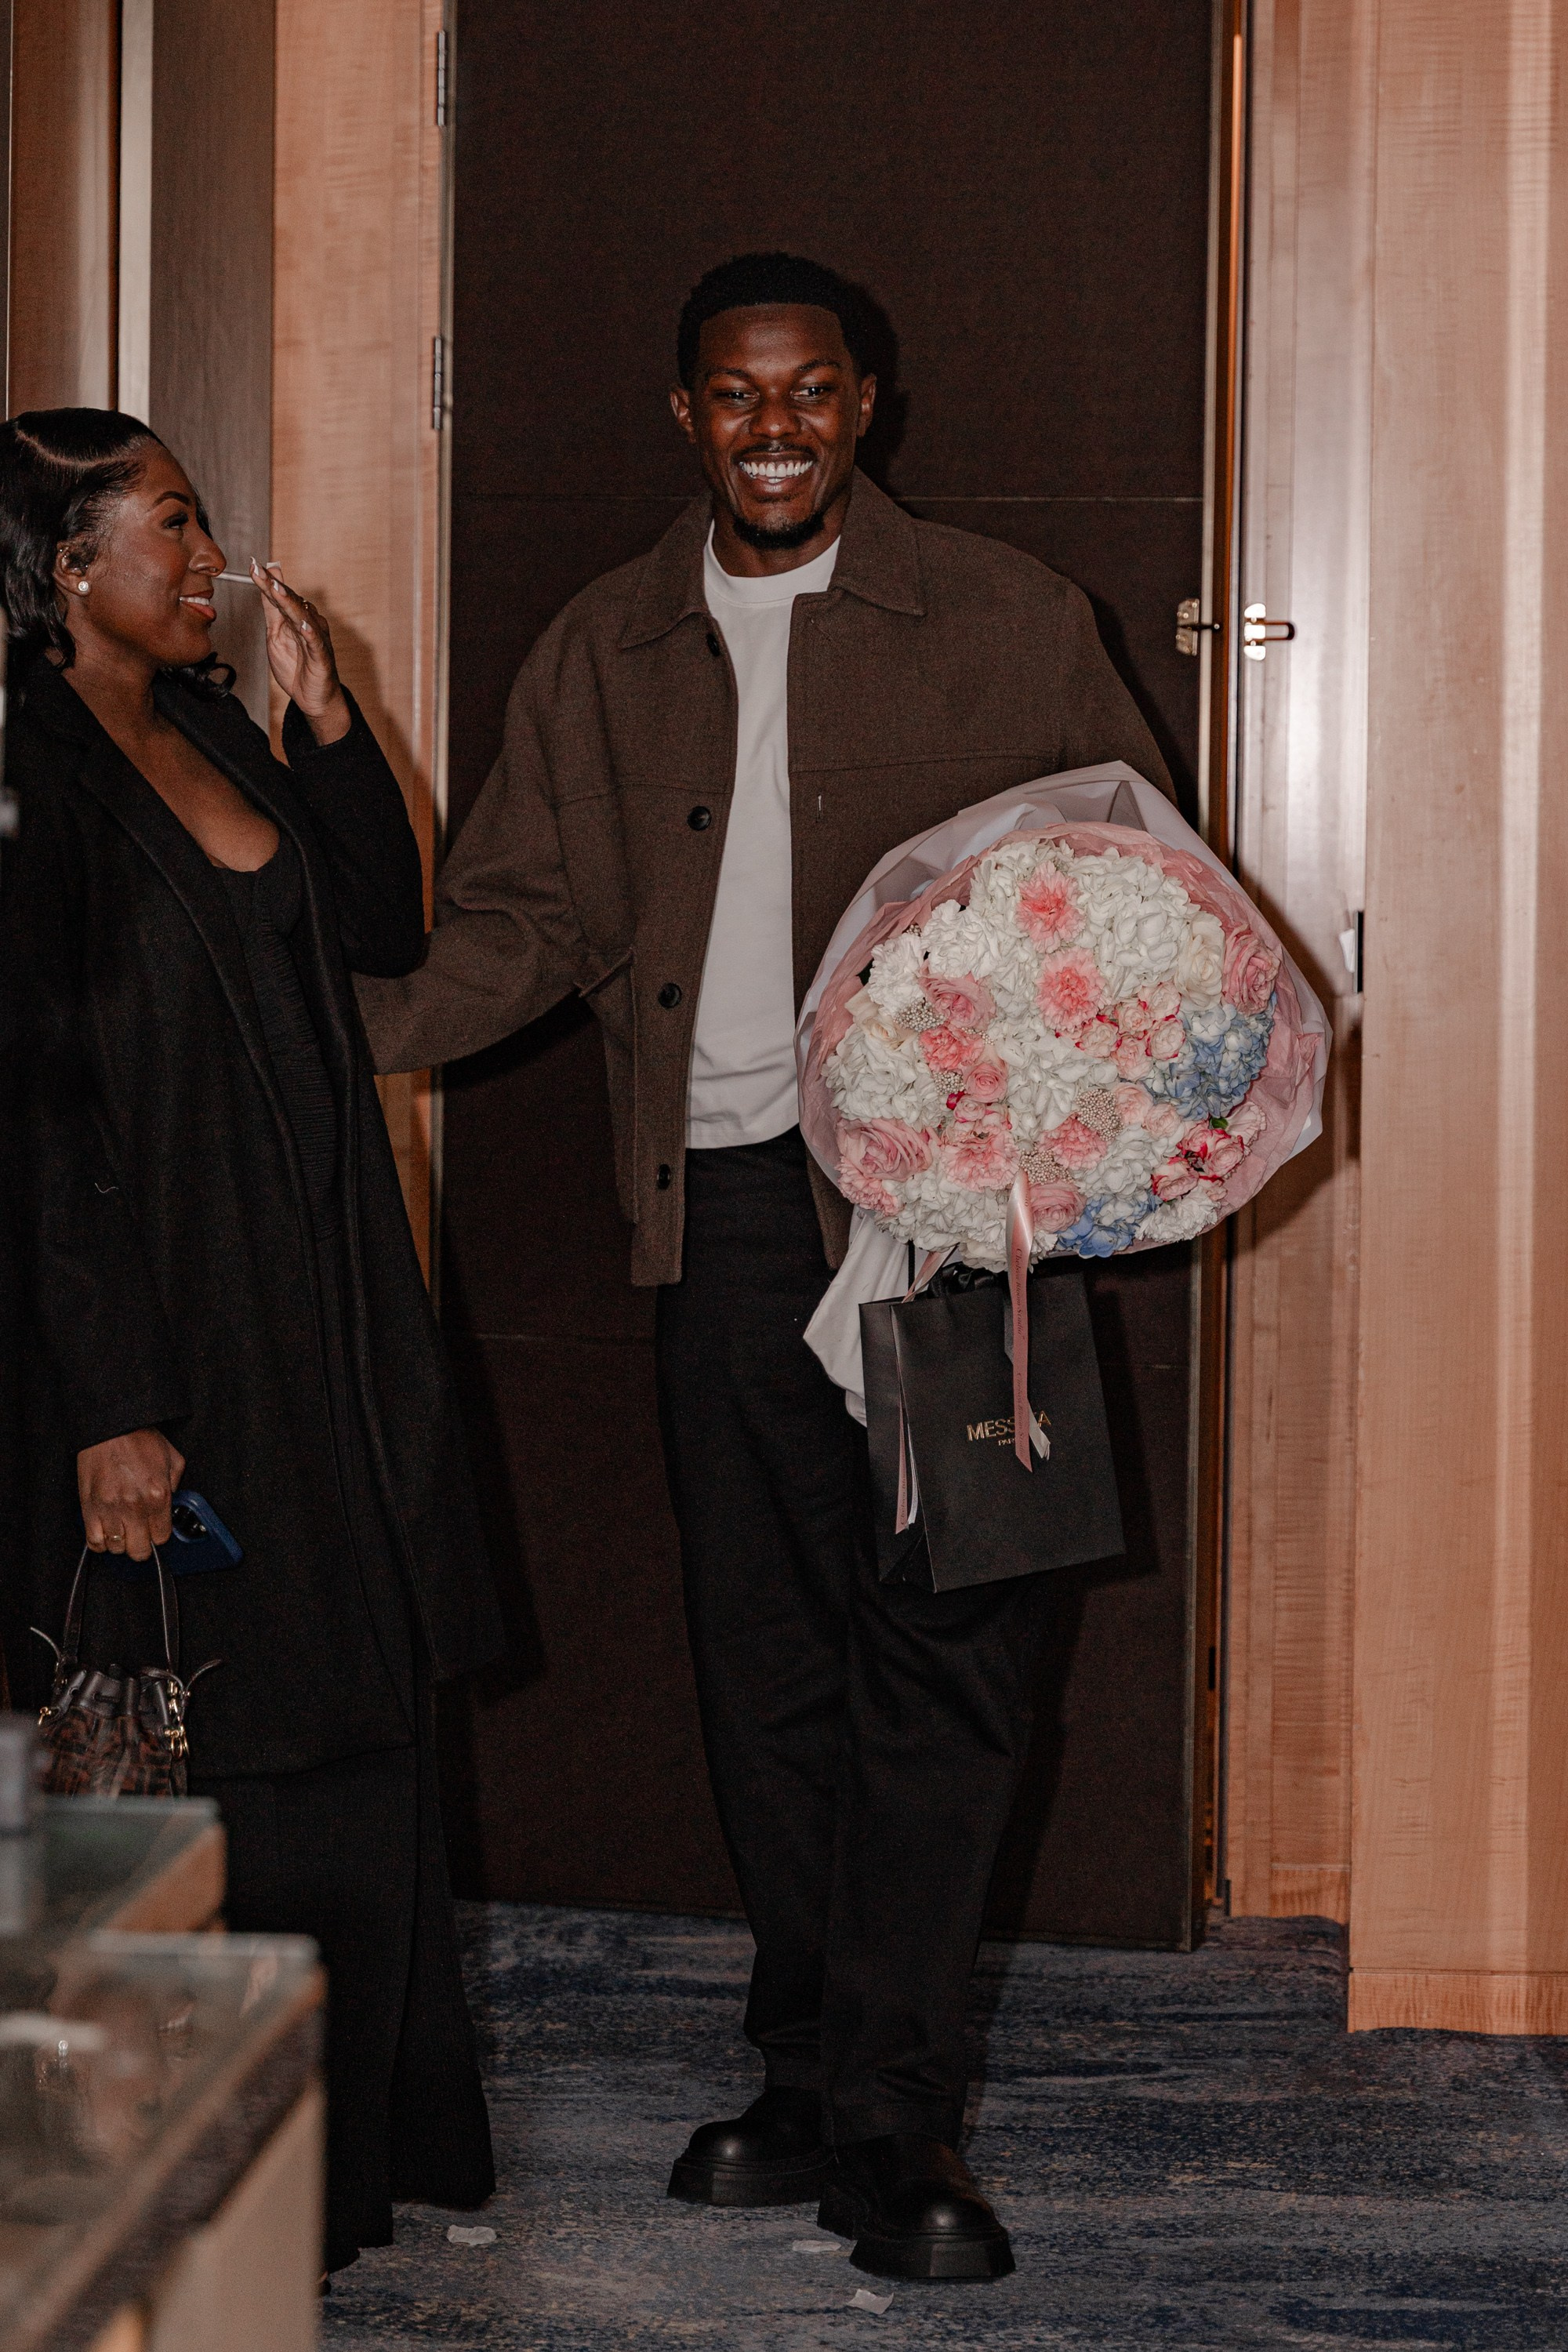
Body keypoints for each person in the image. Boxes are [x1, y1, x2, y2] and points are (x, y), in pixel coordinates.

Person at [357, 252, 1174, 2285]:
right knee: (768, 1666)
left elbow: (1139, 896)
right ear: (687, 417)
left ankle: (901, 2129)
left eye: (813, 390)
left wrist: (1071, 1133)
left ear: (866, 405)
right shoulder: (606, 648)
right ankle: (812, 2066)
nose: (778, 425)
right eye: (738, 394)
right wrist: (311, 1020)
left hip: (962, 1221)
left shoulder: (1007, 617)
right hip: (723, 1215)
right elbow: (520, 919)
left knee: (957, 1658)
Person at [0, 409, 503, 2273]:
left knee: (359, 1698)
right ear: (67, 568)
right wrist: (113, 1404)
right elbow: (39, 1127)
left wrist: (325, 718)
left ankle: (356, 2140)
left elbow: (377, 923)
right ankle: (195, 2163)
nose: (207, 557)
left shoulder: (213, 721)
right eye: (172, 528)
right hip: (160, 1317)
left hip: (320, 1291)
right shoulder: (31, 775)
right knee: (226, 1721)